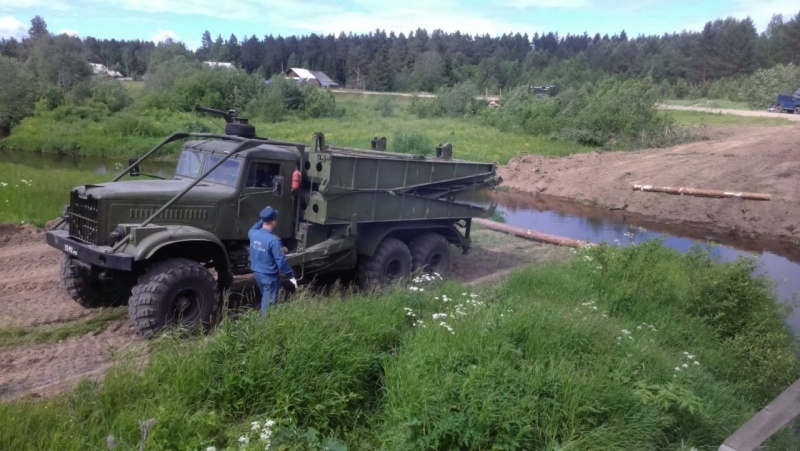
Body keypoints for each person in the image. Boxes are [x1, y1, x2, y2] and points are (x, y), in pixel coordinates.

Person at [248, 207, 297, 317]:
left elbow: (254, 227)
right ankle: (265, 327)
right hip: (269, 277)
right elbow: (281, 261)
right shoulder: (273, 241)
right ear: (274, 221)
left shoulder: (252, 234)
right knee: (269, 306)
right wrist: (290, 275)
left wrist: (263, 219)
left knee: (266, 298)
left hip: (257, 274)